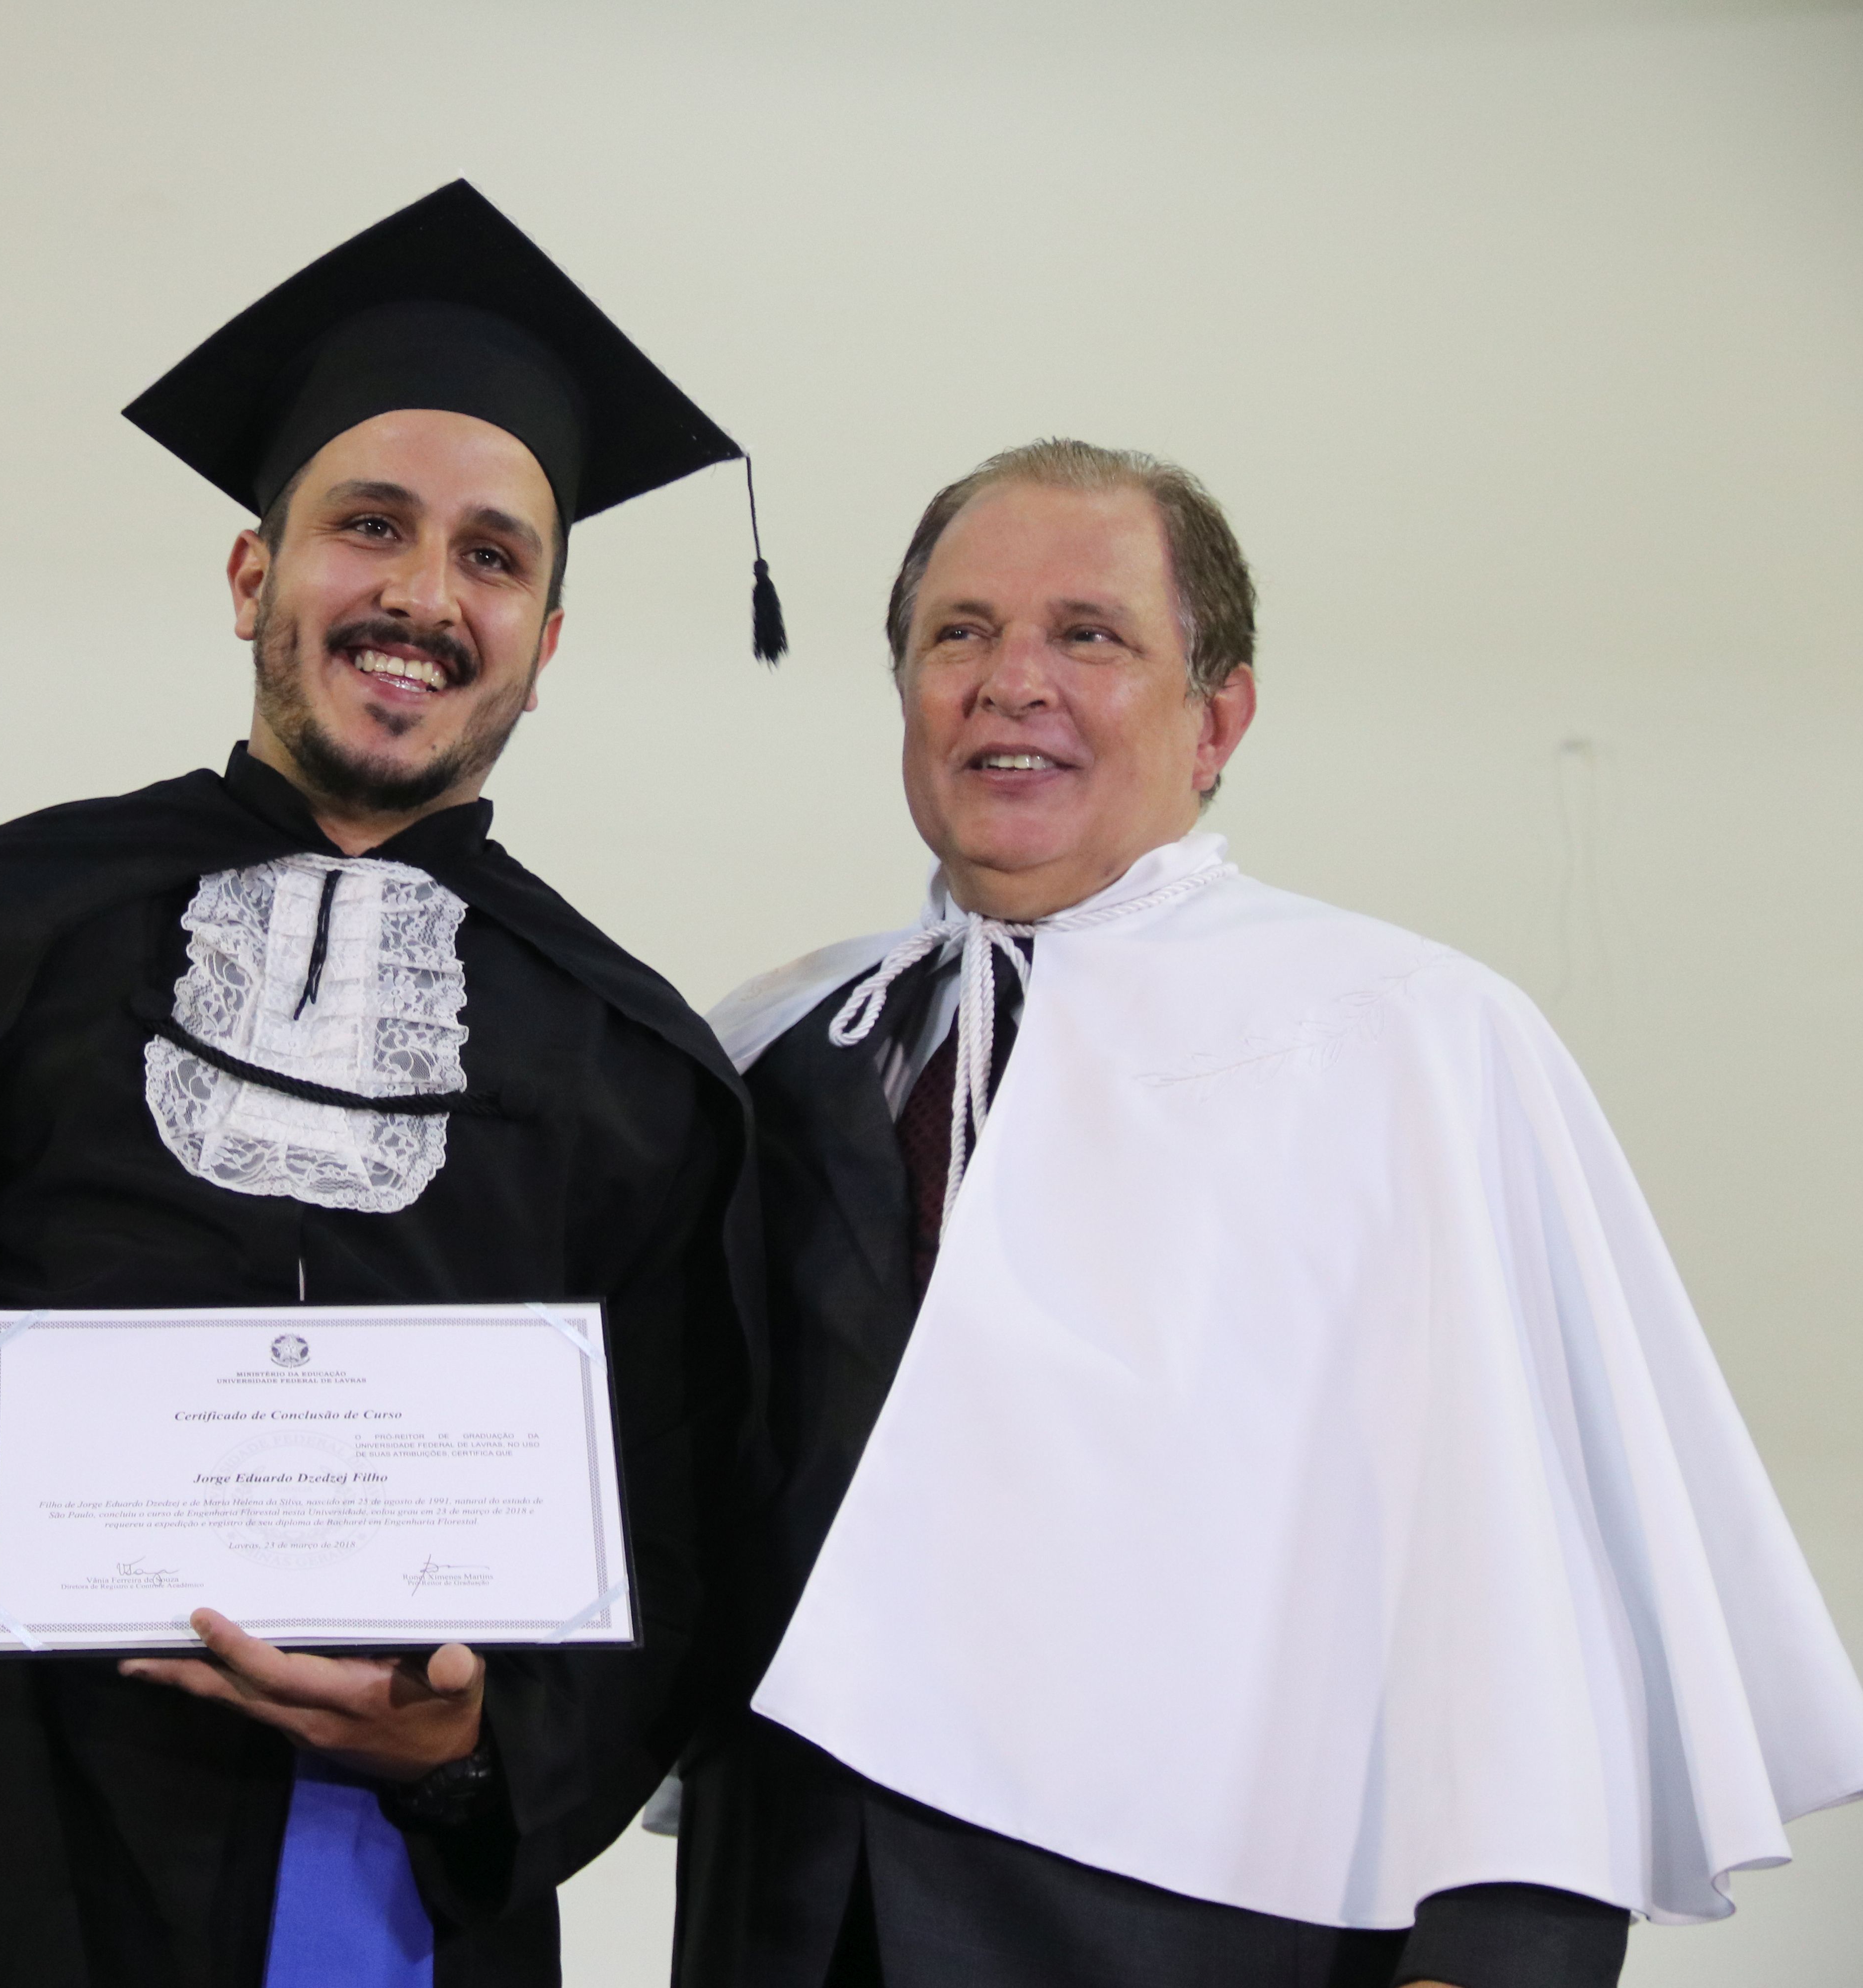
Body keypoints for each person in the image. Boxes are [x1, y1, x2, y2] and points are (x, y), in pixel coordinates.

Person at [0, 181, 763, 1987]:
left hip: (381, 1872)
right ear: (251, 577)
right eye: (369, 527)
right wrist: (37, 1515)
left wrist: (475, 1743)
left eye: (494, 557)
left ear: (543, 642)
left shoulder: (640, 1065)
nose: (423, 594)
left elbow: (672, 1546)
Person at [670, 439, 1863, 1987]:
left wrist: (1496, 1953)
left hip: (1199, 1929)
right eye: (961, 633)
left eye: (1089, 635)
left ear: (1218, 717)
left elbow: (1513, 1569)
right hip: (786, 1919)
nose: (1012, 682)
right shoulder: (772, 1048)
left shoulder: (1406, 1040)